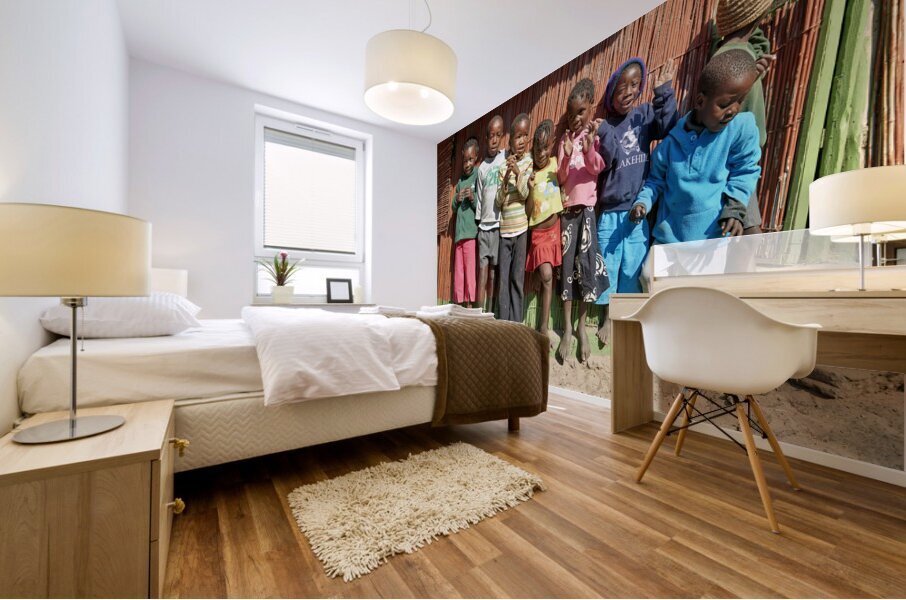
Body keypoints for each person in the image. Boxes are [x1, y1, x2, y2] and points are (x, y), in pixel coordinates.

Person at [631, 49, 761, 244]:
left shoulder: (739, 129)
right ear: (700, 101)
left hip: (712, 243)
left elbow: (746, 169)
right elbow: (655, 181)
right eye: (725, 104)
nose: (733, 110)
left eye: (740, 101)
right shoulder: (672, 144)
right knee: (649, 275)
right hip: (669, 242)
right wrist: (643, 202)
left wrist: (735, 207)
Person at [593, 56, 678, 344]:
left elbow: (668, 127)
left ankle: (625, 316)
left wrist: (664, 92)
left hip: (637, 210)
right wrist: (603, 132)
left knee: (631, 266)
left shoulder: (643, 116)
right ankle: (608, 317)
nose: (628, 91)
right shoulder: (607, 126)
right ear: (611, 93)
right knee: (610, 263)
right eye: (621, 87)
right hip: (611, 209)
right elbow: (609, 159)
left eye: (634, 84)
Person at [711, 0, 775, 234]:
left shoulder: (736, 50)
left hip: (736, 154)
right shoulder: (736, 56)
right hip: (735, 157)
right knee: (750, 234)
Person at [557, 78, 609, 363]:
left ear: (590, 109)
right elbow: (562, 178)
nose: (576, 119)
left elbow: (597, 167)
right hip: (568, 214)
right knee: (567, 270)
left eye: (581, 112)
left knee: (586, 270)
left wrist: (588, 148)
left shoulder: (593, 138)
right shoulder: (565, 142)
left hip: (587, 211)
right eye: (571, 114)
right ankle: (566, 328)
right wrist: (565, 157)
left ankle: (581, 326)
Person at [525, 119, 563, 345]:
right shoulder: (532, 175)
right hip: (539, 235)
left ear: (552, 146)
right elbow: (529, 211)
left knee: (550, 278)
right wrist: (530, 191)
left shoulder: (556, 165)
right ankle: (542, 328)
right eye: (537, 149)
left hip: (555, 230)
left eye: (545, 148)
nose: (541, 153)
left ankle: (543, 325)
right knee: (547, 275)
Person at [495, 113, 533, 322]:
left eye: (524, 136)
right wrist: (505, 180)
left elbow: (525, 194)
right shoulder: (503, 167)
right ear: (510, 140)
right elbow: (500, 202)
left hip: (521, 230)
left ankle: (517, 324)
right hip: (505, 230)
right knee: (503, 280)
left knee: (517, 280)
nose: (521, 141)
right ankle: (504, 324)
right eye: (517, 136)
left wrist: (518, 174)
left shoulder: (528, 163)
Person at [474, 115, 506, 312]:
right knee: (483, 270)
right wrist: (479, 225)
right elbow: (479, 199)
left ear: (502, 137)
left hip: (498, 226)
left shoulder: (504, 158)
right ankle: (479, 312)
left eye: (498, 135)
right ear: (486, 138)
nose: (494, 140)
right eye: (491, 136)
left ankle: (491, 313)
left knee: (494, 272)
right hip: (484, 227)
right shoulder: (482, 168)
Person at [451, 137, 480, 307]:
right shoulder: (461, 181)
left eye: (470, 159)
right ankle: (460, 303)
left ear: (476, 158)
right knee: (459, 271)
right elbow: (454, 208)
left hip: (470, 233)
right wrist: (457, 198)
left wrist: (472, 197)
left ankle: (470, 304)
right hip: (459, 235)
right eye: (465, 160)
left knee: (469, 270)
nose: (467, 164)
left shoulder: (477, 176)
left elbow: (480, 206)